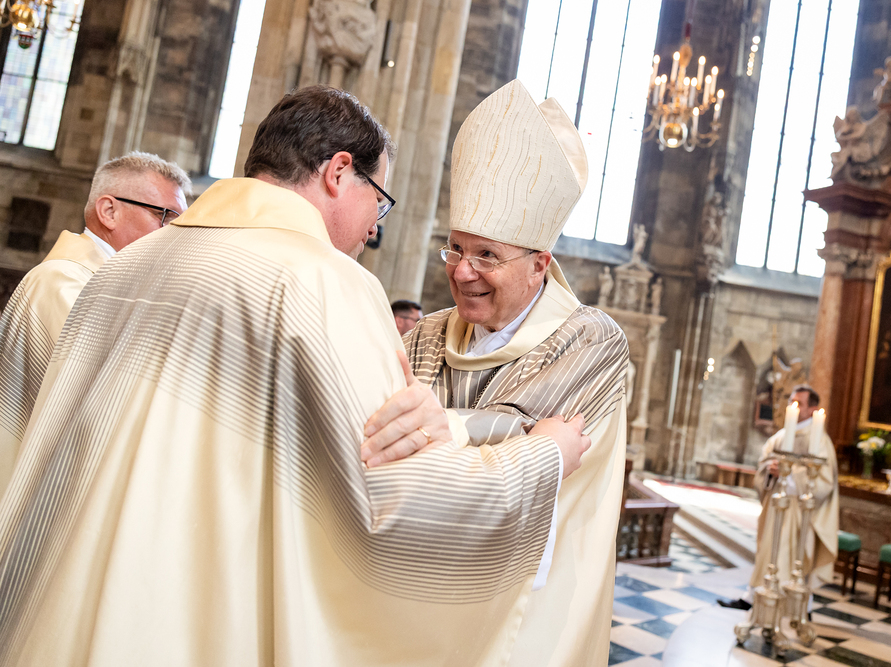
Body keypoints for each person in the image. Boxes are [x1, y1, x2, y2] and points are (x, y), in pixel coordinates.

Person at [0, 86, 592, 666]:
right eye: (379, 201)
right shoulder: (322, 283)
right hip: (179, 629)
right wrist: (540, 460)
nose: (373, 228)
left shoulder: (122, 267)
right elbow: (388, 498)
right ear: (339, 172)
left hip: (51, 616)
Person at [361, 79, 629, 667]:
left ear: (539, 264)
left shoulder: (590, 338)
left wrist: (428, 431)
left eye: (487, 255)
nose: (462, 272)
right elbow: (380, 437)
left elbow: (528, 443)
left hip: (526, 598)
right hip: (419, 577)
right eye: (456, 248)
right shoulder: (429, 331)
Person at [0, 152, 190, 492]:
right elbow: (104, 395)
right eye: (164, 216)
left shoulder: (114, 285)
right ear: (109, 211)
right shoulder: (61, 282)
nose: (174, 235)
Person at [719, 385, 839, 610]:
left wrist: (789, 475)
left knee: (790, 556)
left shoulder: (820, 441)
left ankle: (795, 605)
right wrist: (770, 469)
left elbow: (824, 480)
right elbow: (764, 462)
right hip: (775, 503)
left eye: (798, 403)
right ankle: (753, 597)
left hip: (798, 510)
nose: (791, 406)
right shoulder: (781, 436)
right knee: (767, 550)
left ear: (813, 409)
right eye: (791, 401)